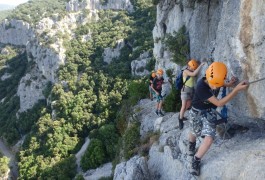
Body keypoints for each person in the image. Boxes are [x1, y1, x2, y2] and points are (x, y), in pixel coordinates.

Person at [187, 62, 248, 176]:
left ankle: (196, 160)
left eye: (218, 84)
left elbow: (220, 83)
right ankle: (191, 143)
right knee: (194, 131)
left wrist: (229, 84)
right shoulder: (201, 87)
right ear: (208, 78)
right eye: (213, 84)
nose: (215, 87)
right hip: (196, 112)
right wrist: (235, 90)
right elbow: (219, 103)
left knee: (209, 139)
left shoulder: (216, 79)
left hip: (209, 112)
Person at [179, 59, 205, 130]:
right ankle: (180, 121)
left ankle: (181, 115)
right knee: (184, 106)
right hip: (185, 91)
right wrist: (201, 65)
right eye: (191, 68)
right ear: (188, 66)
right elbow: (194, 74)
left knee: (188, 105)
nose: (192, 69)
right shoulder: (185, 71)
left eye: (193, 68)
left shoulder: (191, 70)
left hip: (190, 91)